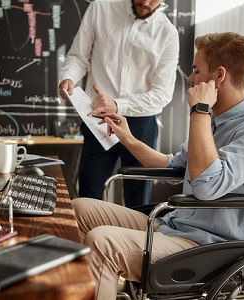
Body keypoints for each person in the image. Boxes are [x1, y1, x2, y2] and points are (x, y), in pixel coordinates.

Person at [72, 32, 244, 299]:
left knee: (101, 242)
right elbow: (173, 165)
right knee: (78, 209)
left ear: (218, 76)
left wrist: (200, 110)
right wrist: (126, 138)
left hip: (208, 246)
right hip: (171, 225)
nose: (190, 78)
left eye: (196, 70)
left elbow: (208, 187)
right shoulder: (212, 121)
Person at [58, 0, 179, 207]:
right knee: (89, 197)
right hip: (97, 121)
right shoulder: (100, 8)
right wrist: (69, 77)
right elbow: (78, 57)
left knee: (138, 202)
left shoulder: (168, 33)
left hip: (140, 126)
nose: (146, 2)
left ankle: (133, 240)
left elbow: (162, 94)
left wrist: (117, 104)